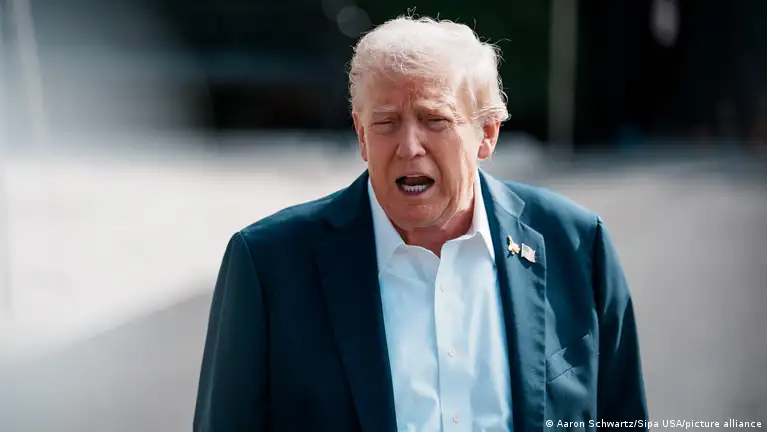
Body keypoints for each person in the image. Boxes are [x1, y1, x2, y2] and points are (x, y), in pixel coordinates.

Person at [193, 15, 649, 432]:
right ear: (361, 135)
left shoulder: (576, 244)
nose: (409, 146)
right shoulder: (270, 265)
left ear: (487, 134)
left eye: (434, 120)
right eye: (386, 122)